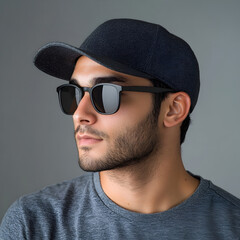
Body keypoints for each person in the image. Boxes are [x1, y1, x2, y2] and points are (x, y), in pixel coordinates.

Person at [0, 18, 239, 239]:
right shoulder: (33, 224)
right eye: (73, 93)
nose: (80, 114)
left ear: (173, 110)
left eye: (105, 94)